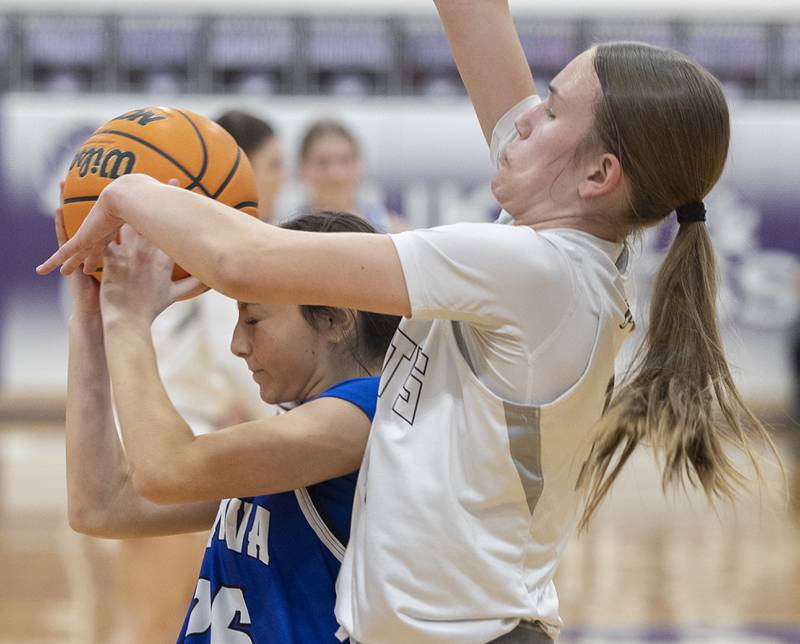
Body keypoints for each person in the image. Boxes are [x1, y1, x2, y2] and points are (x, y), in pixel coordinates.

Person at [40, 3, 783, 641]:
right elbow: (477, 20)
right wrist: (98, 314)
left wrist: (129, 191)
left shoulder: (541, 274)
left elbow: (243, 259)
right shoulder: (557, 240)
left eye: (551, 109)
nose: (525, 117)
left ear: (598, 176)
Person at [60, 207, 398, 642]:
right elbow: (102, 505)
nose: (237, 344)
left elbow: (167, 469)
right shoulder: (299, 429)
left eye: (254, 319)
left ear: (333, 320)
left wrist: (128, 318)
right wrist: (92, 324)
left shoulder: (368, 415)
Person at [106, 109, 286, 644]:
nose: (281, 180)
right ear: (242, 172)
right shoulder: (226, 251)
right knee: (155, 626)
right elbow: (236, 366)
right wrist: (291, 422)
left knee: (152, 623)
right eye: (273, 166)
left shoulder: (186, 243)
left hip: (153, 444)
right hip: (178, 449)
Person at [298, 118, 400, 232]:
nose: (336, 175)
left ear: (359, 164)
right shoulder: (286, 232)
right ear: (302, 168)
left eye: (345, 160)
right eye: (323, 163)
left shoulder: (389, 229)